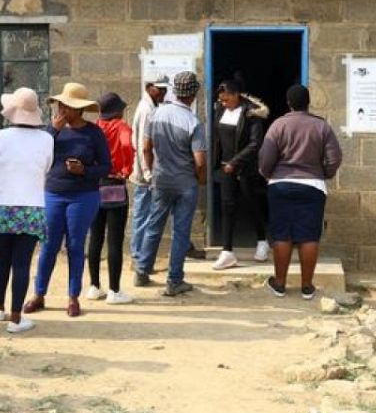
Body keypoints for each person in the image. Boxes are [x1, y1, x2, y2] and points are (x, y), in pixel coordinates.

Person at [24, 82, 110, 318]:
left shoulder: (94, 133)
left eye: (67, 106)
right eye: (60, 105)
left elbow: (105, 166)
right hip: (53, 193)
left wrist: (84, 171)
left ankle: (73, 297)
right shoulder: (51, 131)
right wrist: (53, 130)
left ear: (78, 109)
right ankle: (38, 294)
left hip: (83, 195)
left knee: (74, 245)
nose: (61, 110)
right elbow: (37, 156)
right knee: (48, 245)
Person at [257, 84, 343, 300]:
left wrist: (268, 174)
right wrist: (323, 173)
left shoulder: (278, 125)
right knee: (309, 236)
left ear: (288, 103)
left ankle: (280, 284)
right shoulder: (321, 127)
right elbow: (335, 157)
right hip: (313, 186)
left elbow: (266, 157)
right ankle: (307, 287)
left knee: (282, 234)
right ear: (308, 102)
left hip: (281, 184)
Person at [0, 87, 53, 333]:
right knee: (22, 263)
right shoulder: (47, 139)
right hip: (32, 207)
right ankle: (16, 318)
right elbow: (46, 167)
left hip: (3, 204)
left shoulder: (0, 137)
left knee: (1, 258)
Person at [135, 71, 208, 297]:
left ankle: (142, 271)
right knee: (180, 232)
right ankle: (174, 280)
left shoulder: (156, 114)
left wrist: (151, 171)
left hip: (161, 179)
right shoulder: (192, 121)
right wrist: (201, 178)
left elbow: (146, 148)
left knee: (154, 224)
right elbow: (199, 160)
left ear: (175, 90)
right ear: (193, 94)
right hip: (185, 182)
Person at [211, 80, 271, 270]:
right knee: (227, 206)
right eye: (221, 100)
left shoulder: (251, 113)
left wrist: (235, 162)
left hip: (245, 167)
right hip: (225, 167)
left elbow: (255, 143)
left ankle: (262, 240)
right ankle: (227, 251)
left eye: (226, 99)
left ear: (236, 95)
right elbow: (217, 140)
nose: (223, 103)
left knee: (251, 203)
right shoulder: (220, 110)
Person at [86, 91, 136, 305]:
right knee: (115, 239)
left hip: (95, 185)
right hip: (115, 184)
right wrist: (126, 168)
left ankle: (94, 286)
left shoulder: (94, 128)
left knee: (95, 237)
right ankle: (115, 290)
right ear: (118, 111)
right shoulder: (122, 127)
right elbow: (126, 145)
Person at [129, 72, 168, 271]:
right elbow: (142, 145)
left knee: (144, 215)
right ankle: (138, 258)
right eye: (160, 88)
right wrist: (147, 172)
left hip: (147, 171)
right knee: (143, 216)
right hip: (146, 174)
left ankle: (139, 256)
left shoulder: (151, 106)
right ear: (149, 87)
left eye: (165, 89)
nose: (163, 92)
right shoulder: (147, 109)